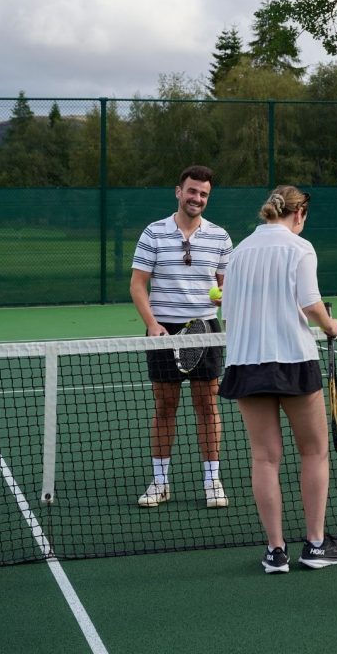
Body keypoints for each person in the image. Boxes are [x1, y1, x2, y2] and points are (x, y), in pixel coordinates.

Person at [219, 185, 337, 574]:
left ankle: (276, 552)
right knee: (314, 451)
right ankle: (314, 544)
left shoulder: (238, 252)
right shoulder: (300, 247)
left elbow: (228, 314)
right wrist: (331, 325)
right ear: (300, 213)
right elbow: (311, 303)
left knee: (264, 457)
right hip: (293, 359)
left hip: (245, 362)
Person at [131, 165, 233, 510]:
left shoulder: (220, 237)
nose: (197, 198)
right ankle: (160, 483)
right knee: (165, 407)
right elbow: (138, 284)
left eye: (203, 194)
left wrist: (224, 297)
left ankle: (212, 481)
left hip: (204, 329)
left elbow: (227, 285)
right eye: (192, 191)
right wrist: (152, 323)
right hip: (164, 331)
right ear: (179, 192)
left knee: (208, 406)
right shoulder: (153, 233)